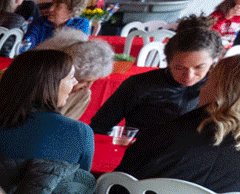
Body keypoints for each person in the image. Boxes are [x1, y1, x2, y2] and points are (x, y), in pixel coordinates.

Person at [103, 55, 240, 194]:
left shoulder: (164, 135)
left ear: (220, 90)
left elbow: (117, 191)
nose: (202, 88)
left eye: (209, 80)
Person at [89, 16, 224, 135]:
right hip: (143, 154)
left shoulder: (219, 87)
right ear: (168, 61)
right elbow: (100, 126)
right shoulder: (140, 84)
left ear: (213, 61)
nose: (189, 76)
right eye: (179, 67)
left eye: (199, 67)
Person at [0, 49, 93, 169]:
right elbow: (81, 184)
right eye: (71, 77)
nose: (75, 82)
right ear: (51, 84)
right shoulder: (79, 133)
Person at [31, 28, 117, 120]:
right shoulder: (35, 86)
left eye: (92, 82)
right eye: (83, 81)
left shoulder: (82, 95)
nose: (87, 87)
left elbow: (66, 129)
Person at [19, 0, 90, 52]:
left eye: (58, 6)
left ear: (71, 11)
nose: (50, 9)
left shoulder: (81, 24)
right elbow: (28, 42)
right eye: (52, 5)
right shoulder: (41, 22)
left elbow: (74, 50)